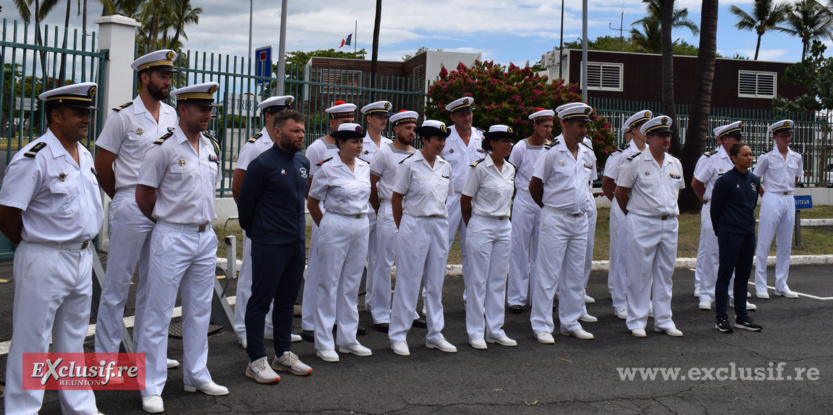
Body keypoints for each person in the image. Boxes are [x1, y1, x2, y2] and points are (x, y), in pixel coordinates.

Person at [0, 83, 105, 415]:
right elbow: (7, 212)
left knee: (73, 341)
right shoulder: (35, 156)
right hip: (44, 256)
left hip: (80, 256)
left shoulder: (84, 154)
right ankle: (20, 410)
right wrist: (31, 243)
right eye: (79, 113)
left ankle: (79, 408)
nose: (86, 119)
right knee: (32, 343)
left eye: (88, 113)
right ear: (56, 115)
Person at [135, 82, 228, 413]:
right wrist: (167, 221)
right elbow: (144, 197)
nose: (208, 114)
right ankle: (150, 385)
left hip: (204, 237)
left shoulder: (210, 146)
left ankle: (196, 374)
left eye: (210, 109)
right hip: (172, 235)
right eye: (202, 109)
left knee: (200, 310)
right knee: (158, 313)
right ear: (183, 110)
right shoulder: (163, 149)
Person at [94, 50, 180, 371]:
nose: (168, 82)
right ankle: (105, 359)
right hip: (131, 203)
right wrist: (123, 198)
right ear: (144, 77)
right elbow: (102, 166)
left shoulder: (172, 116)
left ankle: (146, 354)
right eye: (162, 76)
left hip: (163, 207)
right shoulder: (123, 116)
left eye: (170, 76)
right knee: (117, 285)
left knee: (154, 284)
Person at [237, 109, 313, 383]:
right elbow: (246, 205)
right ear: (278, 132)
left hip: (295, 244)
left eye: (302, 130)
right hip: (269, 243)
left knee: (285, 302)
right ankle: (256, 359)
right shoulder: (263, 164)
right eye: (295, 131)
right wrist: (260, 233)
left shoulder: (303, 162)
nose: (301, 135)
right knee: (260, 301)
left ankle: (283, 354)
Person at [231, 95, 301, 348]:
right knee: (252, 278)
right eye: (282, 113)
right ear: (269, 115)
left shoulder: (288, 145)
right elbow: (238, 187)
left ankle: (271, 326)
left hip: (282, 230)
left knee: (278, 280)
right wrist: (252, 223)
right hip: (261, 227)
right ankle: (243, 328)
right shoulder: (254, 146)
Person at [528, 103, 597, 344]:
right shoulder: (551, 152)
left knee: (575, 274)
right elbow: (535, 187)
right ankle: (542, 325)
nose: (584, 131)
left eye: (586, 126)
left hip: (580, 220)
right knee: (548, 273)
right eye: (580, 125)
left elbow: (588, 185)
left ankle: (570, 321)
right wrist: (550, 208)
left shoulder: (588, 152)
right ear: (565, 125)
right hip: (556, 217)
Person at [388, 120, 457, 356]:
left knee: (436, 282)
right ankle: (398, 334)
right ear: (424, 139)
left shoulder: (445, 166)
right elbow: (396, 199)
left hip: (438, 224)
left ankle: (435, 334)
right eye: (436, 138)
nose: (441, 143)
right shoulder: (410, 165)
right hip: (414, 223)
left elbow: (445, 198)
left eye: (443, 138)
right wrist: (405, 227)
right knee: (408, 281)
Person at [307, 123, 373, 363]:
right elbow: (313, 202)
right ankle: (324, 341)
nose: (359, 146)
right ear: (340, 143)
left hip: (360, 224)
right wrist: (325, 227)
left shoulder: (364, 167)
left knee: (351, 283)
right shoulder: (327, 168)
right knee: (328, 283)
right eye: (354, 142)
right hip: (335, 223)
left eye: (361, 141)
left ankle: (347, 338)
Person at [615, 115, 685, 338]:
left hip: (669, 223)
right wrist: (635, 214)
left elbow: (677, 192)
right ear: (649, 137)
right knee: (640, 272)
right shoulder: (634, 162)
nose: (666, 139)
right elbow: (620, 193)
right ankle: (636, 320)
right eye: (661, 136)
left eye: (668, 136)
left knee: (665, 274)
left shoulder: (675, 163)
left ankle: (664, 319)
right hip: (643, 222)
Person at [300, 100, 358, 342]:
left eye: (351, 122)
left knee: (344, 273)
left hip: (346, 219)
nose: (348, 126)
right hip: (324, 215)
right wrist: (323, 223)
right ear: (332, 123)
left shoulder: (355, 148)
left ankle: (335, 320)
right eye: (343, 122)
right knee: (319, 269)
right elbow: (309, 189)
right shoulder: (317, 148)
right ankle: (309, 322)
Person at [461, 125, 517, 349]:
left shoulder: (511, 169)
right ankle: (475, 332)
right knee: (478, 280)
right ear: (492, 143)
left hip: (504, 226)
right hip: (482, 223)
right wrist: (474, 226)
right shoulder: (479, 169)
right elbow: (466, 201)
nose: (509, 144)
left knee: (497, 280)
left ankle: (495, 329)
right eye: (504, 140)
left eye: (510, 141)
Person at [368, 110, 425, 331]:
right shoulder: (384, 153)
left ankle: (408, 310)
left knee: (409, 263)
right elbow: (372, 184)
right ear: (396, 129)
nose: (412, 132)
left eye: (413, 128)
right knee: (383, 263)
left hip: (410, 213)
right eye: (407, 128)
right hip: (388, 211)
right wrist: (380, 207)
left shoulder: (417, 154)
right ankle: (381, 313)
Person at [691, 121, 756, 311]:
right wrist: (706, 201)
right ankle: (706, 294)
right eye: (736, 138)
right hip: (715, 209)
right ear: (724, 140)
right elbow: (697, 183)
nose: (740, 140)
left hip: (737, 213)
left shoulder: (742, 158)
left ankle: (736, 296)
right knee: (712, 252)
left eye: (740, 137)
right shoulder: (710, 158)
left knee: (736, 254)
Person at [600, 110, 650, 320]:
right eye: (645, 127)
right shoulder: (620, 155)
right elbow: (607, 184)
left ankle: (642, 299)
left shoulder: (651, 152)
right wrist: (623, 205)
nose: (649, 131)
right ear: (634, 130)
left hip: (644, 211)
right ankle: (620, 300)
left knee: (644, 257)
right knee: (621, 255)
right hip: (623, 209)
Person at [711, 143, 764, 333]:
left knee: (743, 276)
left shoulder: (754, 180)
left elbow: (751, 205)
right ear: (734, 158)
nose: (749, 158)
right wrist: (722, 231)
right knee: (725, 276)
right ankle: (721, 318)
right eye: (745, 155)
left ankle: (742, 317)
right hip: (729, 234)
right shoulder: (725, 181)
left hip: (748, 234)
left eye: (751, 154)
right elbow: (715, 210)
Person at [506, 109, 551, 314]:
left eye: (551, 127)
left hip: (543, 201)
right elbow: (510, 175)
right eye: (545, 126)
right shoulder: (521, 147)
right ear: (535, 125)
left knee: (541, 251)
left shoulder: (551, 148)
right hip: (524, 199)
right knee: (519, 248)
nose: (548, 131)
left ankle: (538, 297)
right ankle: (516, 297)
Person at [753, 120, 804, 299]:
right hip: (772, 197)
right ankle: (760, 285)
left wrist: (787, 191)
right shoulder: (766, 157)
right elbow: (755, 178)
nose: (787, 138)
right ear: (775, 137)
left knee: (785, 243)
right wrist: (764, 194)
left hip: (788, 197)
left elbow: (796, 178)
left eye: (789, 135)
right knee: (765, 242)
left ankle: (781, 284)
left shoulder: (796, 156)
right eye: (783, 136)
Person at [441, 97, 484, 298]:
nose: (467, 118)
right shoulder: (445, 137)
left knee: (473, 250)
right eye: (462, 114)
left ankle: (473, 298)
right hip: (450, 198)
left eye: (469, 113)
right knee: (441, 248)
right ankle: (430, 297)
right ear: (453, 117)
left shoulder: (481, 137)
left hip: (474, 200)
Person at [359, 101, 393, 311]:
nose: (383, 120)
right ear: (368, 118)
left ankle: (372, 301)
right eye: (379, 116)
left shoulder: (390, 145)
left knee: (377, 256)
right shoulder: (358, 142)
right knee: (355, 255)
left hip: (382, 206)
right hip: (363, 204)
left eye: (386, 117)